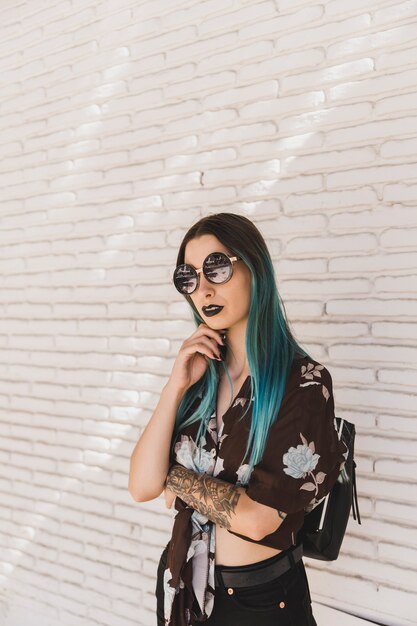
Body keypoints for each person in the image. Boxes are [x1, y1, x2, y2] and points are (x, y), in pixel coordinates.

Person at [128, 213, 348, 626]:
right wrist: (173, 386)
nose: (203, 288)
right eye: (188, 277)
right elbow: (141, 485)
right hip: (188, 591)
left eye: (216, 267)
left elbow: (259, 519)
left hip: (262, 603)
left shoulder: (302, 383)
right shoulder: (199, 377)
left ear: (254, 266)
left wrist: (174, 478)